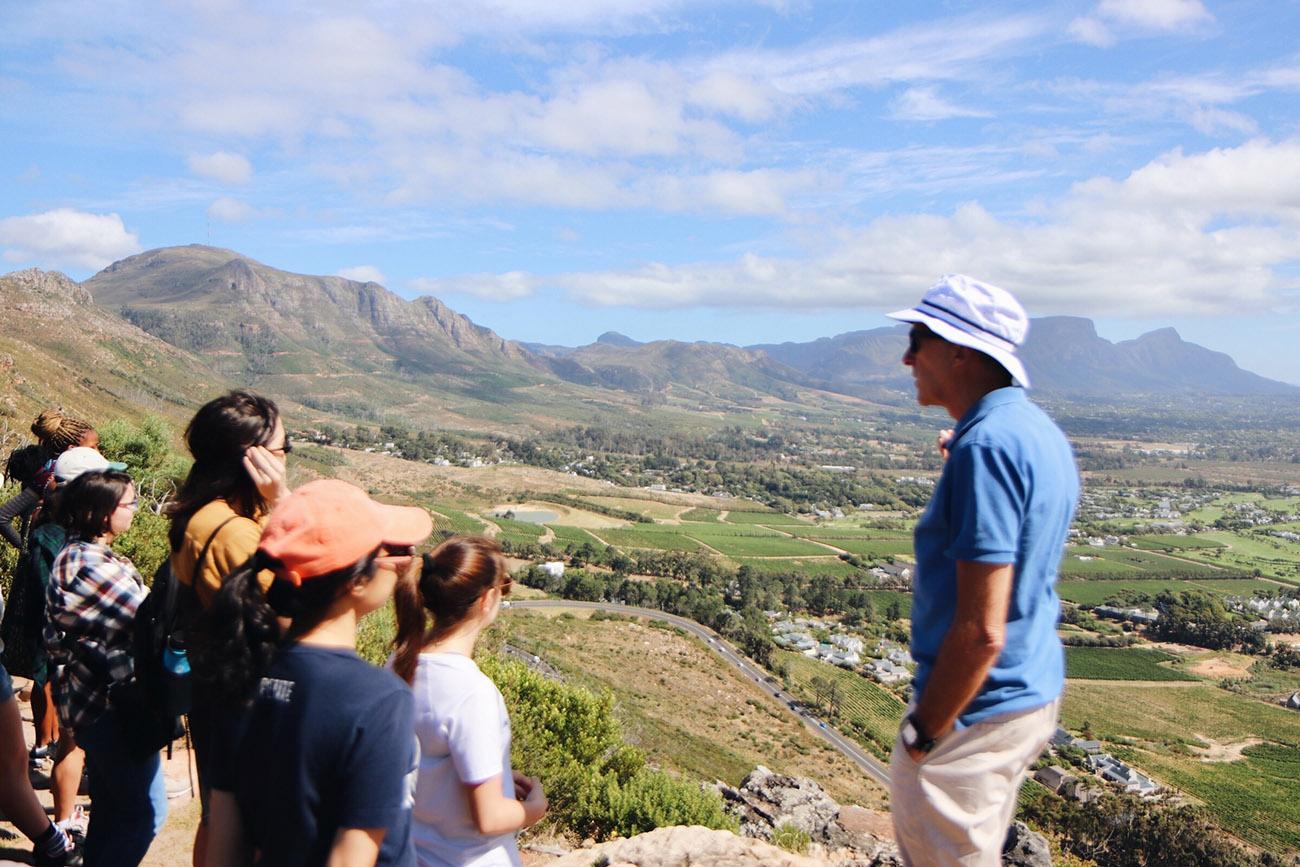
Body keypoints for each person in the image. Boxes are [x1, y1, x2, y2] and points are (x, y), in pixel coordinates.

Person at [884, 274, 1079, 866]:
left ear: (960, 351)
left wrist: (924, 732)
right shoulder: (1031, 432)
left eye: (920, 339)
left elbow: (981, 631)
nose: (907, 357)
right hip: (1028, 690)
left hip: (977, 709)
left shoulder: (987, 449)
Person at [203, 479, 433, 867]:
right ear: (357, 580)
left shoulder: (240, 674)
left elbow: (224, 850)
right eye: (393, 552)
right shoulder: (378, 699)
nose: (402, 563)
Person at [164, 390, 290, 866]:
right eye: (282, 452)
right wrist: (282, 503)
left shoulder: (203, 513)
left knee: (218, 817)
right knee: (245, 830)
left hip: (215, 691)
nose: (284, 462)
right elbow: (297, 610)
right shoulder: (234, 532)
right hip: (248, 699)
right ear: (253, 458)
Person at [392, 537, 548, 867]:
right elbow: (489, 818)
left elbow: (424, 764)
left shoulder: (397, 665)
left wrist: (498, 773)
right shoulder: (472, 693)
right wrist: (536, 808)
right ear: (487, 599)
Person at [45, 469, 166, 867]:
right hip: (110, 707)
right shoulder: (87, 566)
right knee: (144, 815)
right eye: (128, 504)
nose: (134, 511)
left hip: (93, 705)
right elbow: (149, 619)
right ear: (101, 513)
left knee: (113, 814)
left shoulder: (84, 555)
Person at [17, 448, 125, 846]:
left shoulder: (62, 534)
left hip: (73, 661)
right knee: (73, 741)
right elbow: (52, 607)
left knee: (73, 742)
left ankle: (68, 823)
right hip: (79, 664)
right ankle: (65, 825)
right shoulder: (59, 540)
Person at [0, 409, 98, 550]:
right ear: (72, 448)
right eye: (92, 447)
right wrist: (25, 549)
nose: (98, 453)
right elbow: (3, 516)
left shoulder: (54, 472)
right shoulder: (50, 477)